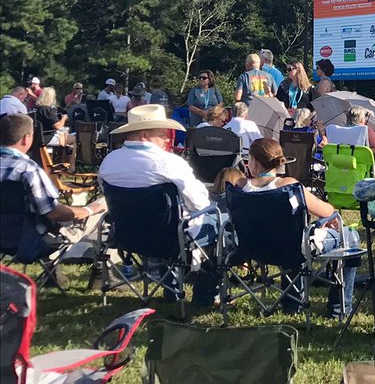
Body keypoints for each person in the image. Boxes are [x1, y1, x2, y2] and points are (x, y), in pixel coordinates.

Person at [97, 105, 225, 307]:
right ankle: (204, 296)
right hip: (168, 238)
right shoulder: (168, 162)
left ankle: (171, 289)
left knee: (169, 223)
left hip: (126, 236)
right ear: (146, 135)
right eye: (163, 135)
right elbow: (200, 202)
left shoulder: (109, 162)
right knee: (217, 221)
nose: (167, 140)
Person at [224, 137, 360, 316]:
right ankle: (339, 309)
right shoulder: (289, 186)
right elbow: (327, 211)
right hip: (291, 248)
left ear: (255, 162)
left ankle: (292, 304)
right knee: (350, 235)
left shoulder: (239, 188)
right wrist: (331, 217)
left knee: (288, 233)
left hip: (250, 248)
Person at [0, 114, 105, 277]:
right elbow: (53, 212)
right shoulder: (27, 169)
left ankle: (53, 274)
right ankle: (100, 275)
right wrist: (88, 210)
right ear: (26, 139)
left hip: (8, 236)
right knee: (101, 210)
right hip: (29, 240)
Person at [33, 87, 74, 152]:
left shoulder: (37, 108)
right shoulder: (48, 110)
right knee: (73, 139)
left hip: (37, 137)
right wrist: (64, 118)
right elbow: (58, 126)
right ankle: (70, 161)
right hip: (47, 138)